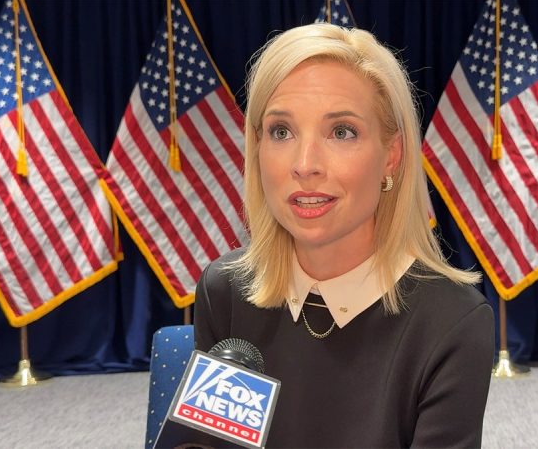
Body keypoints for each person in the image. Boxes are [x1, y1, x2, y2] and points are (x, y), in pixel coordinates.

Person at [194, 23, 494, 448]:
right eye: (281, 131)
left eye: (341, 132)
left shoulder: (453, 322)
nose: (305, 165)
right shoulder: (223, 291)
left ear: (392, 156)